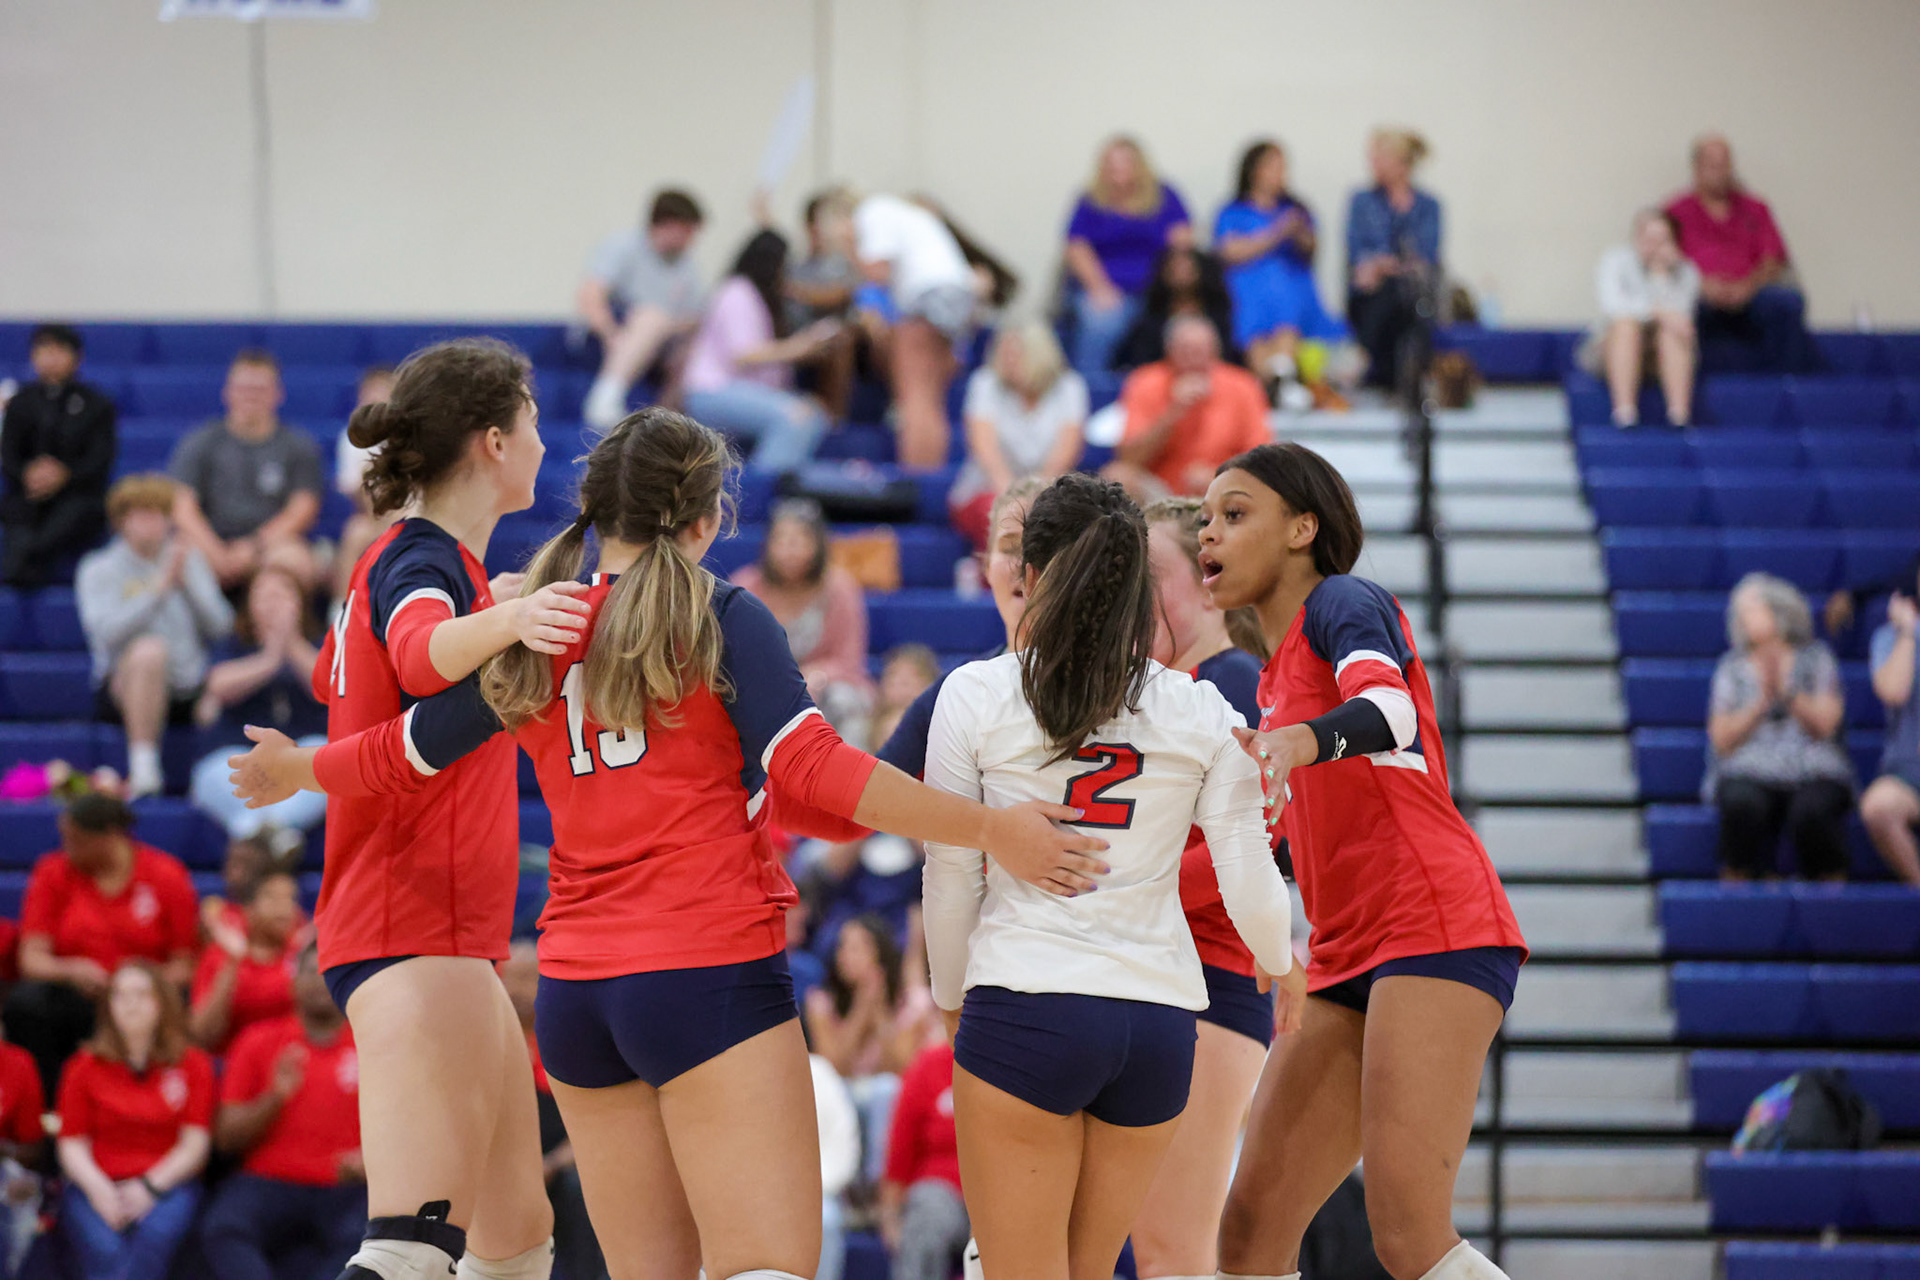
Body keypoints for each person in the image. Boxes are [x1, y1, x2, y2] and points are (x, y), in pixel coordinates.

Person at [227, 406, 1110, 1280]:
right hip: (705, 969)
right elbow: (813, 771)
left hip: (580, 1000)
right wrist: (995, 828)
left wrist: (300, 770)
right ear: (705, 518)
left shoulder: (535, 625)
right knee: (763, 1266)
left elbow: (403, 752)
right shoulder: (720, 614)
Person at [920, 473, 1299, 1278]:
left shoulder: (977, 693)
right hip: (1157, 1030)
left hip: (1027, 1006)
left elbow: (950, 880)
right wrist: (1280, 960)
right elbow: (1250, 876)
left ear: (1030, 575)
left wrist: (954, 1004)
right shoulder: (1200, 708)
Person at [297, 338, 593, 1280]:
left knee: (515, 1243)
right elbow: (422, 657)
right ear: (495, 442)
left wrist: (492, 599)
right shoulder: (420, 560)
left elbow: (340, 673)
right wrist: (510, 619)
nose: (547, 442)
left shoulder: (414, 563)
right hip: (407, 924)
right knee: (409, 1251)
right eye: (536, 422)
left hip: (437, 932)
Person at [1199, 442, 1528, 1280]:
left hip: (1432, 921)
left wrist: (1300, 741)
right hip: (1344, 947)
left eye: (1235, 515)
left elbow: (1389, 709)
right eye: (1204, 520)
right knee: (1248, 1235)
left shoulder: (1343, 601)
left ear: (1303, 528)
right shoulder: (1270, 677)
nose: (1211, 534)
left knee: (1409, 1237)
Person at [1131, 497, 1276, 1280]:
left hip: (1214, 984)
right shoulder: (1156, 691)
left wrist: (1117, 886)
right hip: (1153, 980)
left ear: (1206, 584)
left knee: (1176, 1251)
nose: (1133, 592)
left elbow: (1249, 847)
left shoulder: (1237, 682)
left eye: (1150, 574)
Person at [6, 793, 199, 1096]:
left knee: (181, 998)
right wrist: (70, 969)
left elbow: (184, 966)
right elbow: (31, 958)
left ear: (110, 836)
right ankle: (50, 1103)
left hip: (145, 994)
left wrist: (134, 981)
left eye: (77, 841)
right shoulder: (52, 872)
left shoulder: (166, 875)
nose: (67, 850)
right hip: (78, 996)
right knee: (26, 1003)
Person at [202, 943, 367, 1280]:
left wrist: (375, 1159)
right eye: (310, 971)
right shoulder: (258, 1040)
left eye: (329, 971)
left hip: (346, 1187)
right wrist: (274, 1099)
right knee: (224, 1227)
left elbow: (409, 1130)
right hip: (268, 1181)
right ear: (292, 982)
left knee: (373, 1245)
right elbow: (226, 1138)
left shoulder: (373, 1044)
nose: (320, 980)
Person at [76, 473, 235, 798]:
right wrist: (158, 591)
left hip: (187, 684)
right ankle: (144, 766)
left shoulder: (187, 559)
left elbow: (221, 625)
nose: (153, 523)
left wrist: (187, 584)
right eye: (143, 515)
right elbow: (105, 634)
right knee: (149, 651)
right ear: (122, 521)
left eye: (160, 514)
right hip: (124, 683)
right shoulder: (99, 567)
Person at [55, 961, 214, 1280]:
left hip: (167, 1183)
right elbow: (71, 1142)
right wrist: (101, 1191)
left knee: (154, 1237)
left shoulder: (193, 1064)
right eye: (120, 995)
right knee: (103, 1246)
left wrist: (149, 1189)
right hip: (95, 1183)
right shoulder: (83, 1066)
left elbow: (195, 1143)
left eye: (141, 994)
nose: (130, 1004)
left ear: (163, 1003)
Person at [1706, 573, 1854, 882]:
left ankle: (1832, 899)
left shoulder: (1816, 659)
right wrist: (1760, 704)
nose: (1741, 616)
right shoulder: (1731, 666)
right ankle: (1735, 894)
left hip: (1812, 765)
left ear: (1778, 610)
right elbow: (1720, 739)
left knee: (1813, 811)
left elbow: (1826, 725)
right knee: (1741, 804)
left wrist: (1788, 694)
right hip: (1750, 765)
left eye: (1750, 608)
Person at [189, 550, 328, 841]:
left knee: (326, 759)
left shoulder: (322, 641)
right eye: (263, 594)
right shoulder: (233, 642)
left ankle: (258, 834)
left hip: (299, 752)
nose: (272, 602)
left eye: (282, 594)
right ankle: (274, 838)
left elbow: (330, 687)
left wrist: (290, 644)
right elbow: (218, 685)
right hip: (237, 751)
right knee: (213, 774)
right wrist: (269, 660)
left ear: (300, 602)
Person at [682, 229, 841, 472]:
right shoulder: (736, 291)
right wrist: (800, 346)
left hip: (743, 391)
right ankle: (758, 494)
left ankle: (786, 495)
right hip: (713, 391)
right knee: (794, 418)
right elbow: (744, 354)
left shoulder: (760, 299)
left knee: (816, 415)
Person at [168, 349, 325, 590]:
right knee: (175, 555)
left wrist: (252, 547)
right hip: (210, 542)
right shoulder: (200, 441)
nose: (251, 396)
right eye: (243, 388)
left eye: (260, 389)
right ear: (227, 392)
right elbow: (182, 505)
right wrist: (215, 551)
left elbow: (302, 509)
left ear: (278, 394)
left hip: (268, 545)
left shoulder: (298, 445)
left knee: (295, 560)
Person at [496, 942, 604, 1280]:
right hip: (507, 1166)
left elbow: (598, 1123)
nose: (515, 990)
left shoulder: (569, 1041)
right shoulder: (487, 1042)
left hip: (562, 1166)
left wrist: (551, 1163)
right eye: (507, 978)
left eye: (528, 978)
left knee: (580, 1187)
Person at [1664, 135, 1814, 375]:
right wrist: (1700, 285)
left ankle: (1785, 387)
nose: (1720, 172)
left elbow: (1773, 260)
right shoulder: (1675, 211)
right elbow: (1664, 261)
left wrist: (1748, 286)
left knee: (1788, 304)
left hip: (1752, 294)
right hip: (1699, 295)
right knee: (1676, 309)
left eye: (1724, 164)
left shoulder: (1756, 208)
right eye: (1712, 165)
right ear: (1696, 168)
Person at [805, 915, 939, 1183]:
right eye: (843, 947)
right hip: (841, 1096)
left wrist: (879, 1014)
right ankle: (842, 1187)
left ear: (880, 953)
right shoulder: (820, 1003)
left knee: (884, 1090)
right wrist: (862, 1008)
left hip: (885, 1100)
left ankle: (879, 1185)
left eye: (857, 948)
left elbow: (901, 1068)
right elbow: (832, 1068)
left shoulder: (912, 1005)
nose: (846, 956)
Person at [1214, 141, 1350, 404]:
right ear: (1254, 170)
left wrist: (1298, 232)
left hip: (1293, 292)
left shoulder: (1296, 210)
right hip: (1249, 293)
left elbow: (1311, 249)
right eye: (1272, 167)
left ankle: (1279, 382)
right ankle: (1277, 384)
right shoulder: (1232, 211)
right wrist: (1277, 233)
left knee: (1285, 314)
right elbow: (1229, 252)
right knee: (1255, 320)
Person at [851, 191, 978, 468]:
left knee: (913, 398)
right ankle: (929, 478)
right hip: (955, 296)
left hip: (928, 295)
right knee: (931, 399)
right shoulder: (909, 218)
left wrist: (849, 255)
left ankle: (915, 477)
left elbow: (876, 272)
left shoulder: (871, 210)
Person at [732, 499, 875, 733]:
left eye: (800, 541)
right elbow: (735, 656)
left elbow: (849, 659)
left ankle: (845, 769)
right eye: (782, 540)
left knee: (846, 701)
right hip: (762, 687)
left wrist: (815, 676)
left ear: (818, 544)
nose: (790, 551)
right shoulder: (745, 588)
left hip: (825, 690)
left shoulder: (839, 588)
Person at [949, 322, 1088, 551]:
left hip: (1048, 490)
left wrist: (1037, 500)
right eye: (1003, 353)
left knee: (1070, 519)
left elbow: (1064, 457)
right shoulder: (985, 383)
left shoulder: (1070, 387)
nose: (1008, 360)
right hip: (989, 489)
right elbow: (987, 454)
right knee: (1003, 517)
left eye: (1016, 353)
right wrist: (1016, 501)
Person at [1063, 137, 1195, 376]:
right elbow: (1076, 248)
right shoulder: (1089, 201)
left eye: (1125, 163)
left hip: (1157, 291)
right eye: (1111, 164)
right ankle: (1094, 389)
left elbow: (1183, 241)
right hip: (1106, 291)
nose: (1118, 170)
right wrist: (1099, 288)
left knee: (1185, 327)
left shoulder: (1165, 197)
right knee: (1100, 322)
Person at [580, 188, 707, 432]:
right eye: (688, 231)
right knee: (652, 317)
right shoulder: (623, 246)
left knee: (697, 342)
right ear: (669, 224)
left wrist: (670, 327)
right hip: (616, 333)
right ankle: (604, 399)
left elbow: (693, 317)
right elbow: (590, 296)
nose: (692, 240)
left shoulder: (686, 265)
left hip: (661, 343)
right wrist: (611, 335)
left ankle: (664, 423)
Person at [1, 323, 115, 587]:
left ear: (77, 357)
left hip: (78, 495)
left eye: (59, 350)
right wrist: (28, 474)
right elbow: (8, 455)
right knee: (17, 510)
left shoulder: (97, 404)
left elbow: (100, 459)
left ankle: (24, 559)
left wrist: (65, 475)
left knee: (79, 512)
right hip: (27, 494)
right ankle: (24, 562)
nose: (51, 358)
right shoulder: (20, 403)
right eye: (44, 350)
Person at [1110, 315, 1270, 499]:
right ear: (1169, 351)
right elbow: (1128, 458)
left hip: (1226, 488)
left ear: (1215, 351)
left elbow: (1261, 456)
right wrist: (1171, 415)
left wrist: (1218, 475)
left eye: (1201, 351)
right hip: (1160, 491)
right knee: (1118, 475)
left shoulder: (1242, 385)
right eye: (1186, 351)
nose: (1194, 360)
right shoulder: (1145, 382)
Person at [1583, 210, 1701, 427]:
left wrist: (1662, 276)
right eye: (1649, 239)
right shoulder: (1615, 261)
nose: (1654, 247)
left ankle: (1679, 417)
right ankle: (1625, 414)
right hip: (1611, 348)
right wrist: (1658, 312)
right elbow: (1613, 306)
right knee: (1626, 325)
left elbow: (1682, 319)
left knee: (1673, 332)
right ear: (1637, 238)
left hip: (1661, 352)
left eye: (1662, 240)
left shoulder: (1686, 271)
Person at [1346, 129, 1443, 392]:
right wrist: (1383, 266)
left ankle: (1362, 358)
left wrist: (1385, 265)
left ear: (1401, 163)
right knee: (1389, 291)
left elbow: (1426, 255)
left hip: (1411, 291)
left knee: (1406, 292)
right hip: (1370, 294)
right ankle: (1409, 378)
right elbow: (1357, 256)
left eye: (1380, 158)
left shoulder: (1428, 206)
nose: (1373, 164)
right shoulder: (1362, 202)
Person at [879, 1039, 966, 1280]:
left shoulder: (1012, 1063)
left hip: (1002, 1191)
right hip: (942, 1189)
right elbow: (901, 1147)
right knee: (927, 1217)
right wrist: (889, 1215)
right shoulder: (928, 1064)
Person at [188, 869, 301, 1052]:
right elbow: (200, 1035)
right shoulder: (219, 956)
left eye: (291, 898)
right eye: (272, 898)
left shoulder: (302, 954)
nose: (284, 907)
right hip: (232, 1063)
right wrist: (232, 965)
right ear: (248, 909)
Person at [1863, 564, 1920, 886]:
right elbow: (1893, 692)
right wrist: (1909, 634)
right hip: (1908, 776)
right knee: (1879, 807)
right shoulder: (1892, 636)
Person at [1110, 246, 1240, 374]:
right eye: (1175, 269)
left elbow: (1225, 355)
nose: (1181, 274)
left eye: (1188, 269)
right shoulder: (1151, 317)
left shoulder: (1218, 315)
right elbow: (1140, 359)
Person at [333, 368, 399, 606]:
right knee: (354, 533)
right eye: (370, 400)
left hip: (413, 516)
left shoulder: (413, 439)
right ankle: (340, 608)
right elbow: (360, 495)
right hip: (375, 518)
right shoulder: (353, 440)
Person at [0, 1021, 48, 1277]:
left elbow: (32, 1149)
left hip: (4, 1164)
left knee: (23, 1190)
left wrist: (6, 1153)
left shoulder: (17, 1064)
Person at [809, 1047, 861, 1280]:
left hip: (821, 1191)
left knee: (825, 1220)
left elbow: (844, 1139)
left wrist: (817, 1186)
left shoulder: (819, 1072)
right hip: (756, 1195)